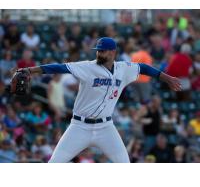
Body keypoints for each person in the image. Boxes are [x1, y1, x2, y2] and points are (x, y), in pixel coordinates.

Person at [14, 37, 181, 163]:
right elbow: (59, 67)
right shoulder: (87, 67)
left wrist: (166, 78)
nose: (99, 53)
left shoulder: (123, 69)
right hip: (79, 126)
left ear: (112, 52)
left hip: (105, 127)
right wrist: (30, 70)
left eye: (102, 51)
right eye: (98, 50)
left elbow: (143, 67)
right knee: (54, 164)